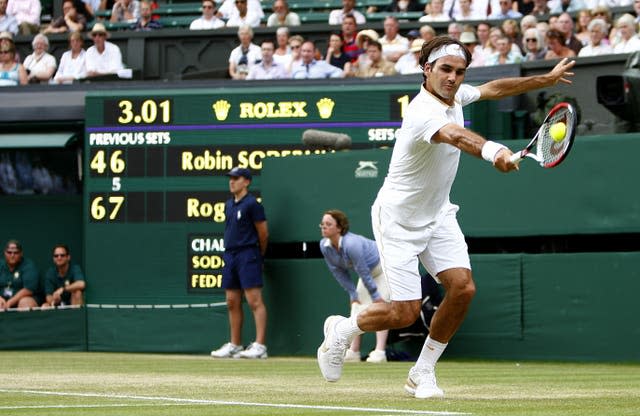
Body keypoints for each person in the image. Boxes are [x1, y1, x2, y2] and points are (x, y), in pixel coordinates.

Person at [316, 35, 576, 398]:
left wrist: (542, 80)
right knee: (403, 312)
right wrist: (494, 151)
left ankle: (422, 372)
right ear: (427, 70)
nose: (453, 78)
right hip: (398, 220)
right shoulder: (422, 110)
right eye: (446, 70)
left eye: (459, 72)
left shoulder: (457, 95)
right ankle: (342, 331)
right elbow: (455, 135)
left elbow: (492, 88)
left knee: (463, 288)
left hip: (438, 214)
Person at [210, 167, 269, 359]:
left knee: (254, 301)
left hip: (248, 254)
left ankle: (260, 346)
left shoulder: (252, 204)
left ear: (247, 181)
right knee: (231, 301)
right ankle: (235, 344)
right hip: (230, 255)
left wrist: (257, 254)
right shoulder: (228, 205)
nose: (232, 181)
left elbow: (263, 233)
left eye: (236, 178)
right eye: (231, 178)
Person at [319, 210, 390, 363]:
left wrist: (376, 296)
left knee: (380, 307)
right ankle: (354, 351)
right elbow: (337, 271)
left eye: (328, 224)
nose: (324, 227)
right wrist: (352, 293)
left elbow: (362, 270)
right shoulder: (324, 246)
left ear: (339, 228)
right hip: (367, 274)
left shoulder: (352, 244)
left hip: (384, 268)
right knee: (357, 308)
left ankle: (380, 352)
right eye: (322, 224)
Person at [0, 240, 41, 309]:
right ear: (5, 253)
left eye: (16, 253)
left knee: (25, 303)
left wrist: (10, 302)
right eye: (9, 252)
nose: (12, 255)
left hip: (24, 298)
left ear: (21, 253)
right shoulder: (1, 264)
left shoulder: (28, 266)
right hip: (3, 299)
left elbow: (28, 290)